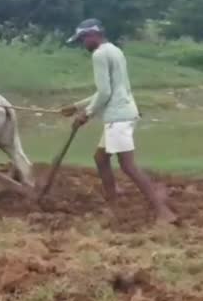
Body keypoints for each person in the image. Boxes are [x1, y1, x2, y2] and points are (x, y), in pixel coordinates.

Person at [61, 18, 178, 224]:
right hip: (125, 112)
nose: (83, 44)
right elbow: (108, 90)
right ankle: (112, 198)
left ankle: (163, 212)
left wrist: (86, 115)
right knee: (101, 158)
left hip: (118, 117)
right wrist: (77, 106)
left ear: (93, 35)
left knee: (128, 166)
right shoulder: (114, 50)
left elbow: (105, 93)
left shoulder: (99, 55)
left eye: (83, 39)